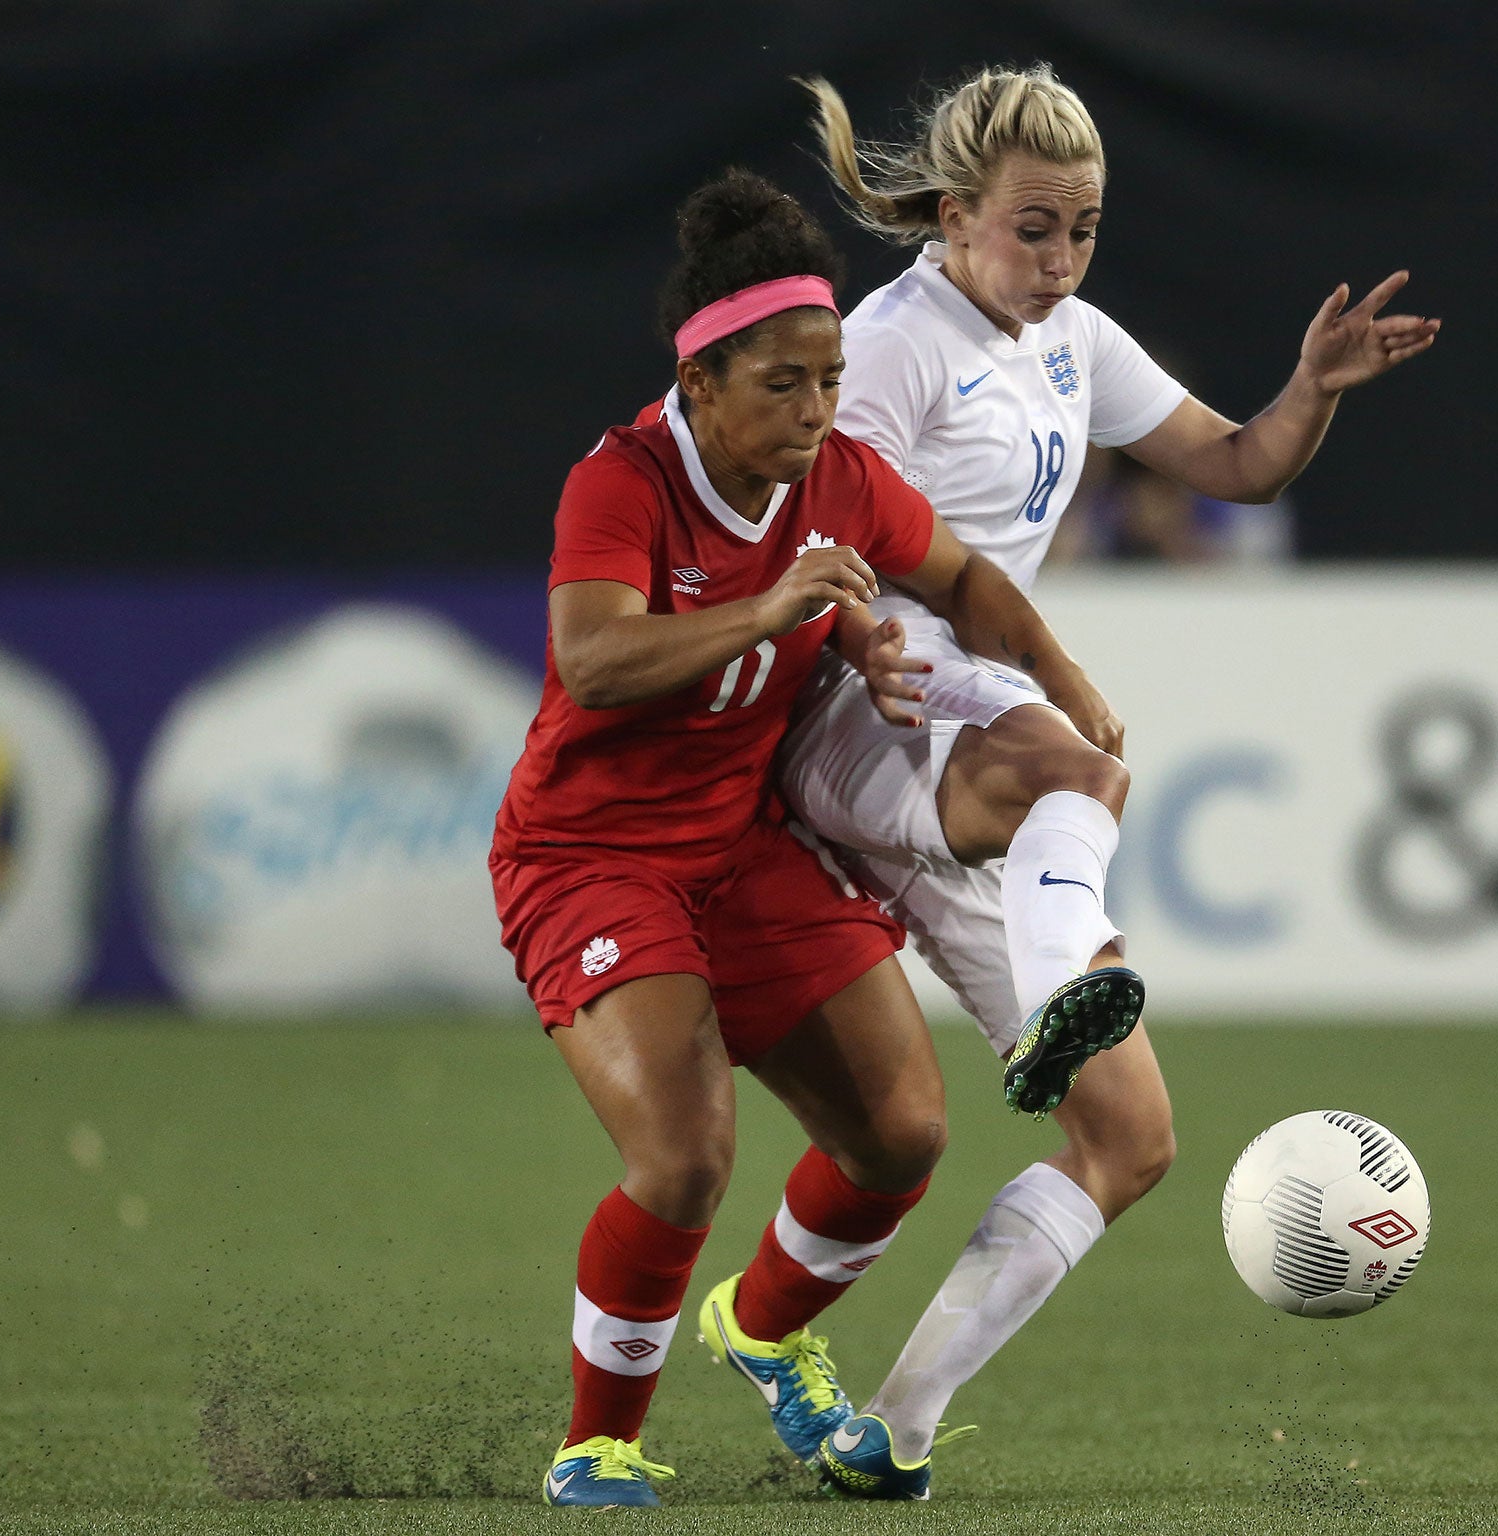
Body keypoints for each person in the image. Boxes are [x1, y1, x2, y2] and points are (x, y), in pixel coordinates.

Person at [780, 66, 1440, 1500]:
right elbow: (828, 531)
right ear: (955, 216)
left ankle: (889, 1426)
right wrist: (865, 638)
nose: (1061, 259)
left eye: (1083, 228)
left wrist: (1310, 390)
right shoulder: (890, 341)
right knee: (1082, 762)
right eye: (1034, 228)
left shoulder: (1069, 335)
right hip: (866, 708)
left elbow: (1237, 463)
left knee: (1131, 1139)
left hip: (972, 739)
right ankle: (1068, 968)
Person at [488, 168, 1121, 1508]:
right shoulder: (625, 479)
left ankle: (762, 1329)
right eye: (783, 382)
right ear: (702, 382)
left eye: (831, 376)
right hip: (590, 858)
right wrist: (776, 608)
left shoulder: (834, 475)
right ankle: (595, 1441)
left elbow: (959, 577)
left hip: (739, 846)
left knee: (900, 1134)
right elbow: (592, 662)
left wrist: (1065, 685)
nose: (819, 409)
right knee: (685, 1155)